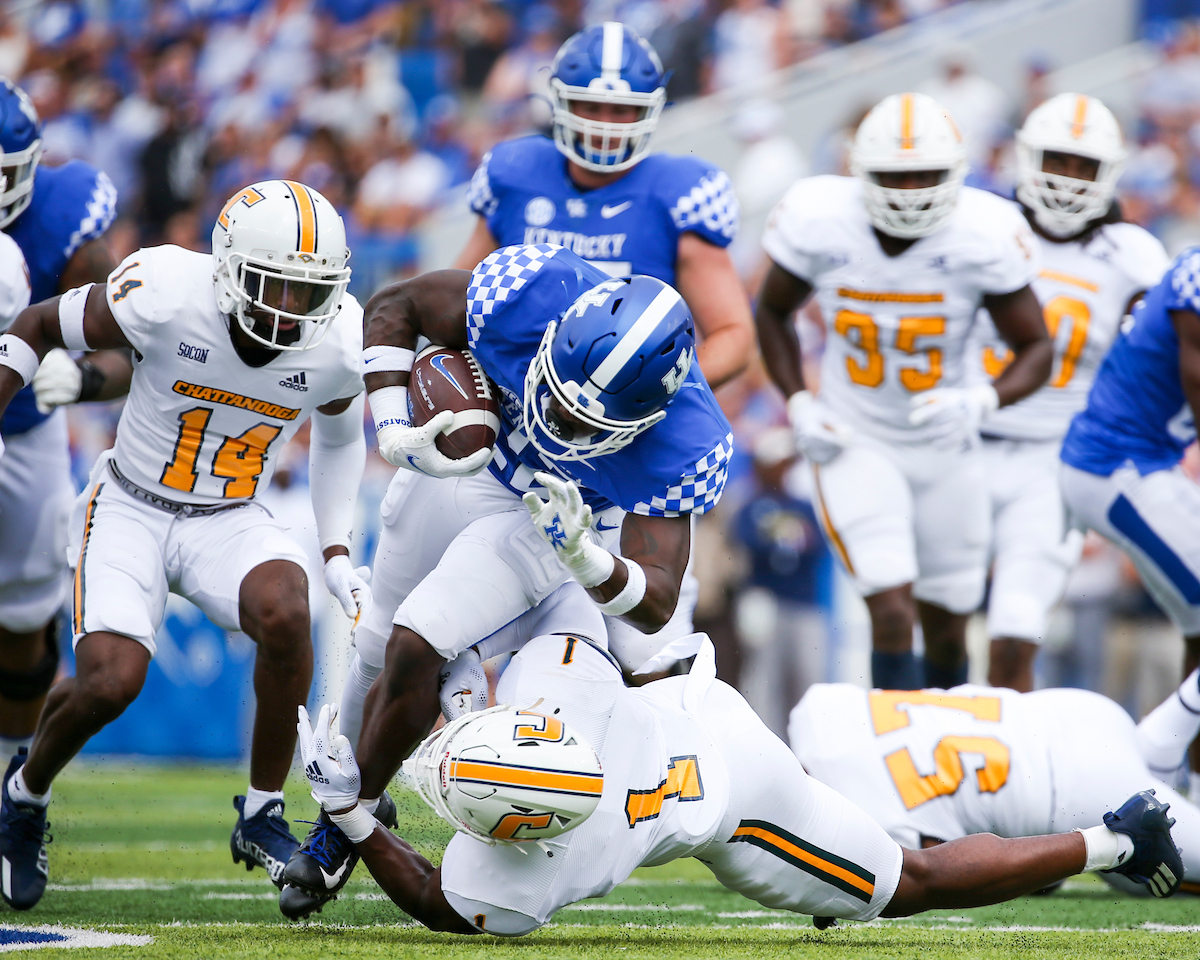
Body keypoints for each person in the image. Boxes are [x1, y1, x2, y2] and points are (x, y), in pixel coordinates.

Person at [279, 242, 733, 917]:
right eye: (555, 391)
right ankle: (352, 801)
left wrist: (591, 562)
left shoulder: (688, 443)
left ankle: (346, 818)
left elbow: (657, 603)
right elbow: (396, 304)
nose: (560, 418)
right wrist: (395, 422)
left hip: (545, 517)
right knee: (374, 646)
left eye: (588, 420)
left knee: (417, 642)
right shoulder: (525, 292)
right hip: (454, 471)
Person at [288, 631, 1182, 937]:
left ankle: (1116, 840)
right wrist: (461, 693)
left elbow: (437, 902)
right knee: (899, 868)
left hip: (739, 806)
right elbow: (578, 644)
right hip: (708, 709)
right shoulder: (553, 681)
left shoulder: (525, 877)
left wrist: (350, 813)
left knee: (913, 883)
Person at [0, 179, 370, 910]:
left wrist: (334, 550)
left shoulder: (339, 340)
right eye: (274, 285)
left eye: (308, 291)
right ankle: (24, 792)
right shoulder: (167, 288)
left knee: (288, 610)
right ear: (229, 268)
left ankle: (262, 810)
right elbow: (40, 324)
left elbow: (339, 438)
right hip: (130, 503)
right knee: (111, 682)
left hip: (230, 513)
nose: (290, 309)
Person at [453, 21, 754, 676]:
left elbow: (735, 337)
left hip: (623, 457)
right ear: (558, 101)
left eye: (623, 109)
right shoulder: (515, 172)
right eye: (592, 104)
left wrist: (636, 396)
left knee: (648, 653)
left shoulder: (678, 192)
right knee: (469, 625)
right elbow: (460, 300)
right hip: (519, 441)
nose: (606, 123)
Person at [754, 92, 1052, 691]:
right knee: (890, 614)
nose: (911, 189)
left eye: (926, 175)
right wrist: (800, 402)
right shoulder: (821, 218)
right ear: (858, 171)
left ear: (956, 174)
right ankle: (894, 767)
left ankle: (950, 751)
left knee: (948, 624)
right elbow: (772, 312)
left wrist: (983, 400)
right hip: (856, 438)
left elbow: (1037, 347)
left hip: (946, 445)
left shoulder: (983, 231)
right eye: (895, 175)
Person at [971, 94, 1169, 691]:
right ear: (1028, 158)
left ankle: (1003, 775)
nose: (1069, 179)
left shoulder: (1133, 256)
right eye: (1058, 161)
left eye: (1085, 165)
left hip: (1049, 458)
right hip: (957, 442)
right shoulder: (980, 224)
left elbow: (1150, 370)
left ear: (1109, 172)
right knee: (940, 621)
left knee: (1015, 628)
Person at [790, 674, 1200, 896]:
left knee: (1147, 870)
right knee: (1148, 761)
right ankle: (1188, 700)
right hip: (1069, 709)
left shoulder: (868, 815)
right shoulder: (817, 707)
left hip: (1079, 792)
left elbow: (947, 871)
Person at [0, 76, 127, 768]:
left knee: (20, 622)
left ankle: (15, 790)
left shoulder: (63, 216)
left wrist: (79, 375)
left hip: (22, 430)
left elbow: (130, 342)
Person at [1060, 245, 1200, 795]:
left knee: (1197, 626)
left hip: (1148, 464)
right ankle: (1154, 772)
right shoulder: (1196, 277)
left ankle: (1183, 792)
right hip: (1118, 465)